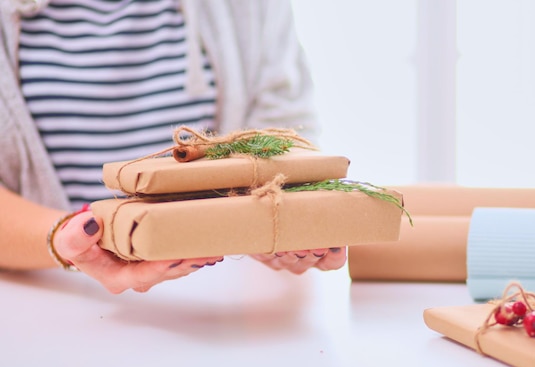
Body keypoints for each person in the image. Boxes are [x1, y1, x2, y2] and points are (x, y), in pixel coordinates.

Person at [0, 0, 346, 294]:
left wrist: (274, 226)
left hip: (229, 299)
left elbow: (287, 134)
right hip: (47, 298)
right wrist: (63, 239)